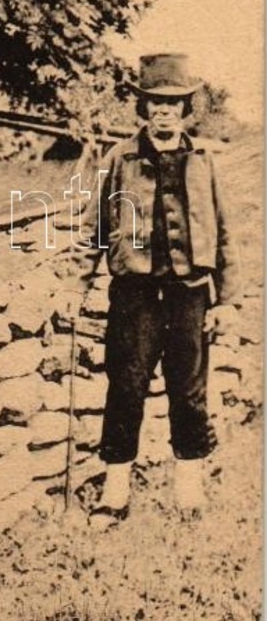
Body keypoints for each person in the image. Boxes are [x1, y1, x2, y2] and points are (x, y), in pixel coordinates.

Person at [57, 54, 241, 528]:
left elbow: (223, 233)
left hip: (189, 293)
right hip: (134, 294)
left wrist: (228, 300)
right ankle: (115, 495)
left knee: (189, 390)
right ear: (144, 107)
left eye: (173, 103)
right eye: (155, 103)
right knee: (126, 387)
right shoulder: (119, 159)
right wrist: (74, 287)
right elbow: (95, 228)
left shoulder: (204, 161)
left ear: (185, 109)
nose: (164, 112)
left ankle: (189, 492)